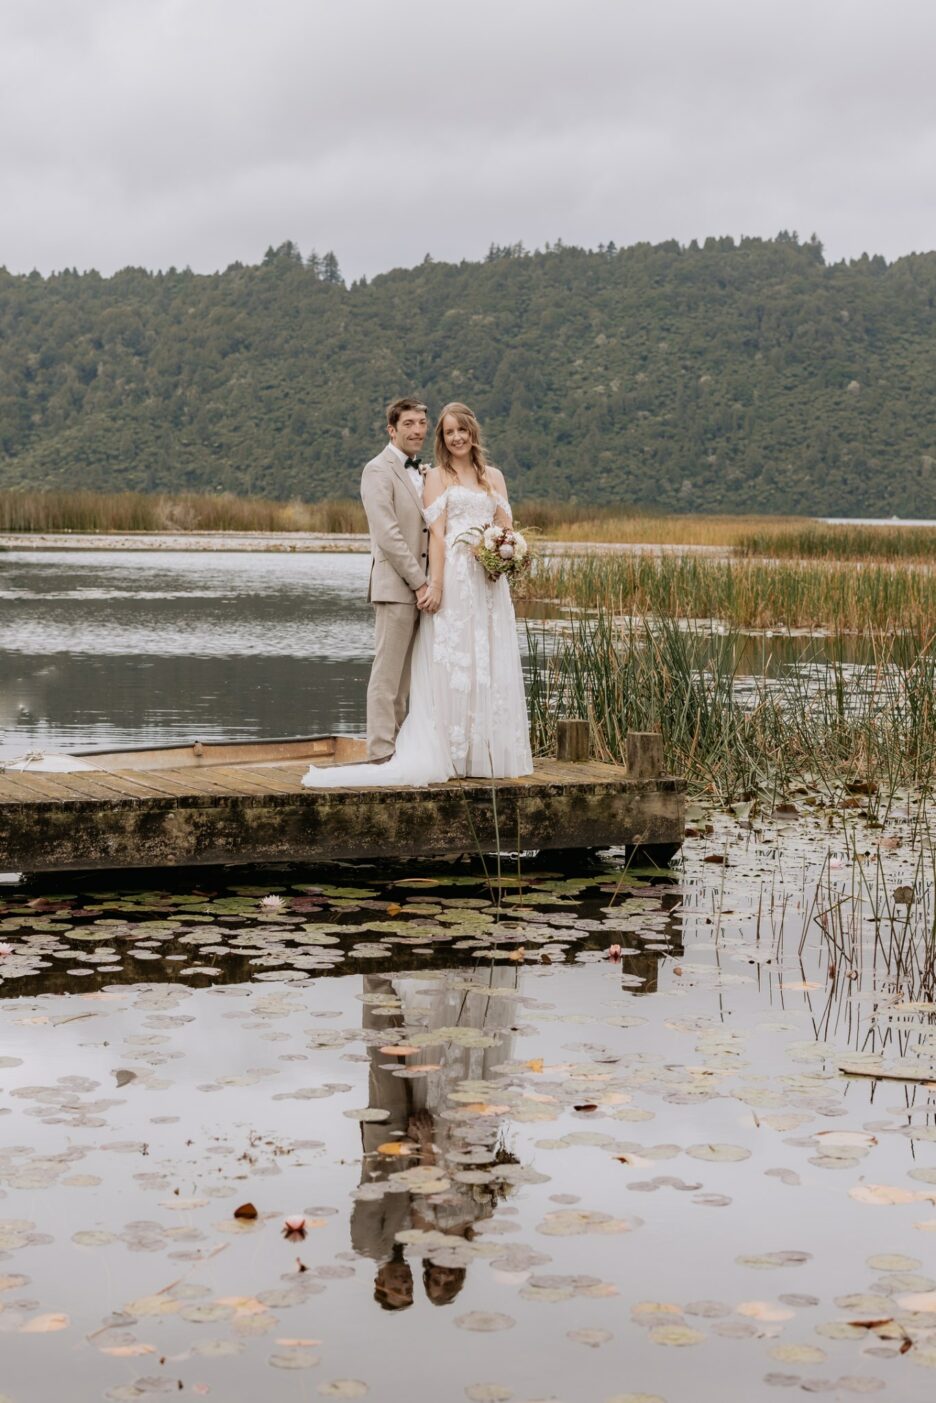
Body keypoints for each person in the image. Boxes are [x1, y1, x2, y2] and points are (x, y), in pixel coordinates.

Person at [302, 400, 532, 788]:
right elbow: (393, 536)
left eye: (423, 424)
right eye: (410, 424)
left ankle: (479, 748)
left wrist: (504, 555)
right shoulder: (379, 470)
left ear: (473, 432)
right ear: (392, 429)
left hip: (481, 584)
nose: (418, 430)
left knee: (458, 666)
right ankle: (380, 755)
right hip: (411, 584)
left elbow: (503, 528)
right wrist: (428, 583)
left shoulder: (432, 473)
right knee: (392, 673)